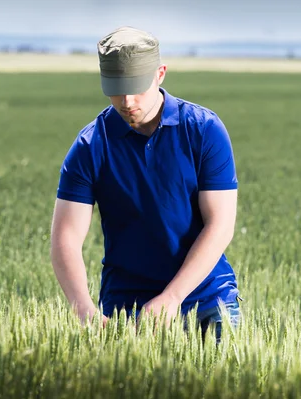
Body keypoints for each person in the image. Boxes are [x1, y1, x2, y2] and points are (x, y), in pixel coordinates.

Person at [50, 26, 241, 340]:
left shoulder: (205, 130)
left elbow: (220, 225)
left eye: (137, 87)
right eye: (116, 88)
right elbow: (65, 239)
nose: (127, 100)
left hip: (209, 301)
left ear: (160, 74)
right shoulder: (89, 146)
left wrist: (172, 297)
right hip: (125, 312)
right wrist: (83, 308)